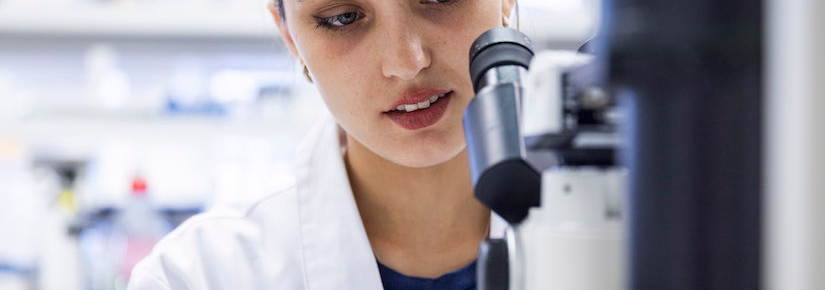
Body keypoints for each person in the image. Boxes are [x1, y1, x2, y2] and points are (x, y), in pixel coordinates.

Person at [128, 0, 516, 289]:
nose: (406, 60)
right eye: (343, 18)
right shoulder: (195, 276)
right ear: (289, 36)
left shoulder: (579, 244)